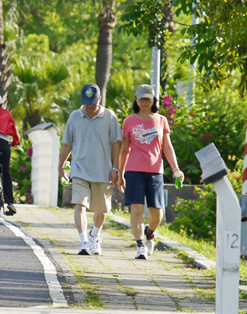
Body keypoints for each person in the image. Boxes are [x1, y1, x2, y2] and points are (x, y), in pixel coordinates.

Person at [118, 84, 184, 260]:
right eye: (141, 99)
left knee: (157, 213)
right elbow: (124, 150)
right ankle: (140, 245)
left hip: (155, 171)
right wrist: (120, 173)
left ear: (154, 100)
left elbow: (167, 147)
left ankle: (149, 233)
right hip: (133, 170)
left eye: (147, 99)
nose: (144, 102)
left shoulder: (161, 120)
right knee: (136, 208)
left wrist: (176, 168)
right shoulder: (128, 121)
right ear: (136, 100)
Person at [58, 83, 122, 256]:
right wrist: (61, 165)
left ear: (100, 100)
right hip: (79, 169)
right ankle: (84, 242)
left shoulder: (109, 116)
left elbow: (116, 144)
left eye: (93, 105)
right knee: (79, 205)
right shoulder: (75, 116)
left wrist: (116, 168)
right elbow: (67, 144)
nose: (89, 108)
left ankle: (95, 235)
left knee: (102, 210)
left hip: (103, 171)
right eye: (87, 104)